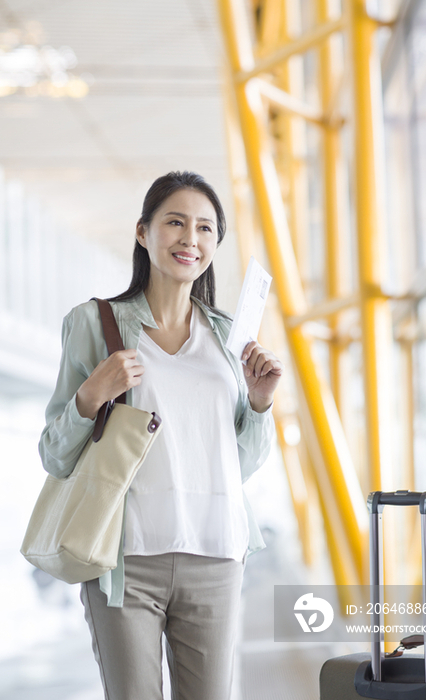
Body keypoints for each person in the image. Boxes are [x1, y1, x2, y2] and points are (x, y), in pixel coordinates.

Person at [39, 170, 283, 700]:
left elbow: (237, 463)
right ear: (143, 232)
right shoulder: (95, 324)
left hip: (217, 554)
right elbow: (54, 454)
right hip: (127, 560)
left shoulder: (228, 339)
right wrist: (91, 396)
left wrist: (259, 403)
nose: (189, 239)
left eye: (205, 228)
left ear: (216, 244)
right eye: (175, 222)